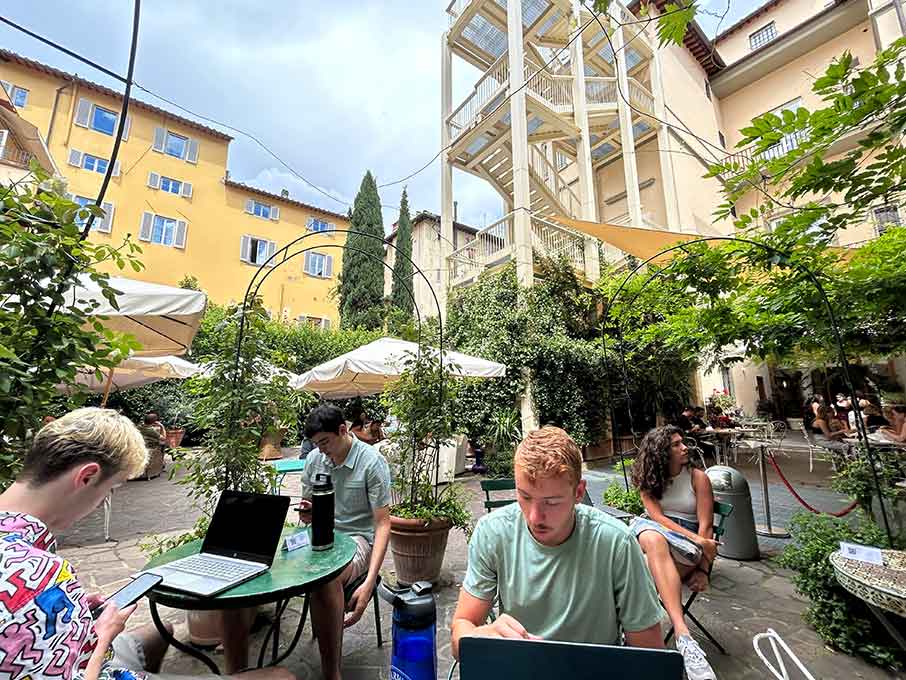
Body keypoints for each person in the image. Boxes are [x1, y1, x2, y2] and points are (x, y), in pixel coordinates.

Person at [0, 407, 293, 680]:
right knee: (282, 677)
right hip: (94, 665)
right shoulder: (37, 575)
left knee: (160, 631)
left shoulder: (28, 565)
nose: (103, 501)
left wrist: (72, 611)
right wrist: (103, 635)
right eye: (111, 489)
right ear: (87, 477)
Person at [450, 427, 665, 660]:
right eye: (525, 496)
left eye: (551, 502)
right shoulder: (493, 533)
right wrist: (480, 638)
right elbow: (462, 629)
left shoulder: (615, 543)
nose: (534, 517)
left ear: (579, 492)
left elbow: (649, 656)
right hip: (521, 670)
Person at [297, 404, 392, 680]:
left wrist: (368, 582)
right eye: (316, 443)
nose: (321, 449)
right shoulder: (315, 459)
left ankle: (331, 673)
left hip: (357, 540)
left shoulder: (371, 462)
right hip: (321, 535)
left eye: (325, 442)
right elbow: (309, 513)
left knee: (325, 576)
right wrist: (307, 512)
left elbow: (383, 524)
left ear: (342, 430)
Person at [629, 426, 718, 680]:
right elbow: (656, 517)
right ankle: (683, 635)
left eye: (683, 442)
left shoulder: (698, 477)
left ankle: (634, 640)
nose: (685, 447)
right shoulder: (649, 478)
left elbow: (707, 525)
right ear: (660, 453)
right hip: (657, 532)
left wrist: (703, 568)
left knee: (638, 571)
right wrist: (699, 540)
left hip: (685, 548)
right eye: (676, 445)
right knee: (654, 536)